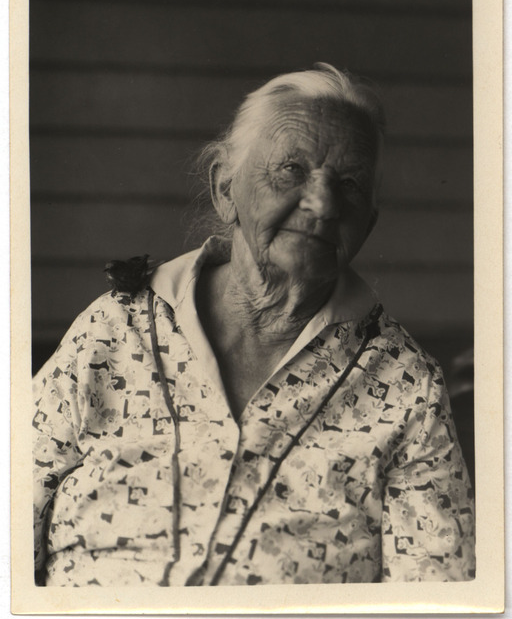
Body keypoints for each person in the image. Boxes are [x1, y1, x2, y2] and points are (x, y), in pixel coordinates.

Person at [32, 63, 475, 586]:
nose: (323, 204)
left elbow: (436, 591)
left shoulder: (406, 387)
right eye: (292, 170)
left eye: (350, 184)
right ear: (225, 189)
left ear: (368, 223)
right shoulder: (114, 329)